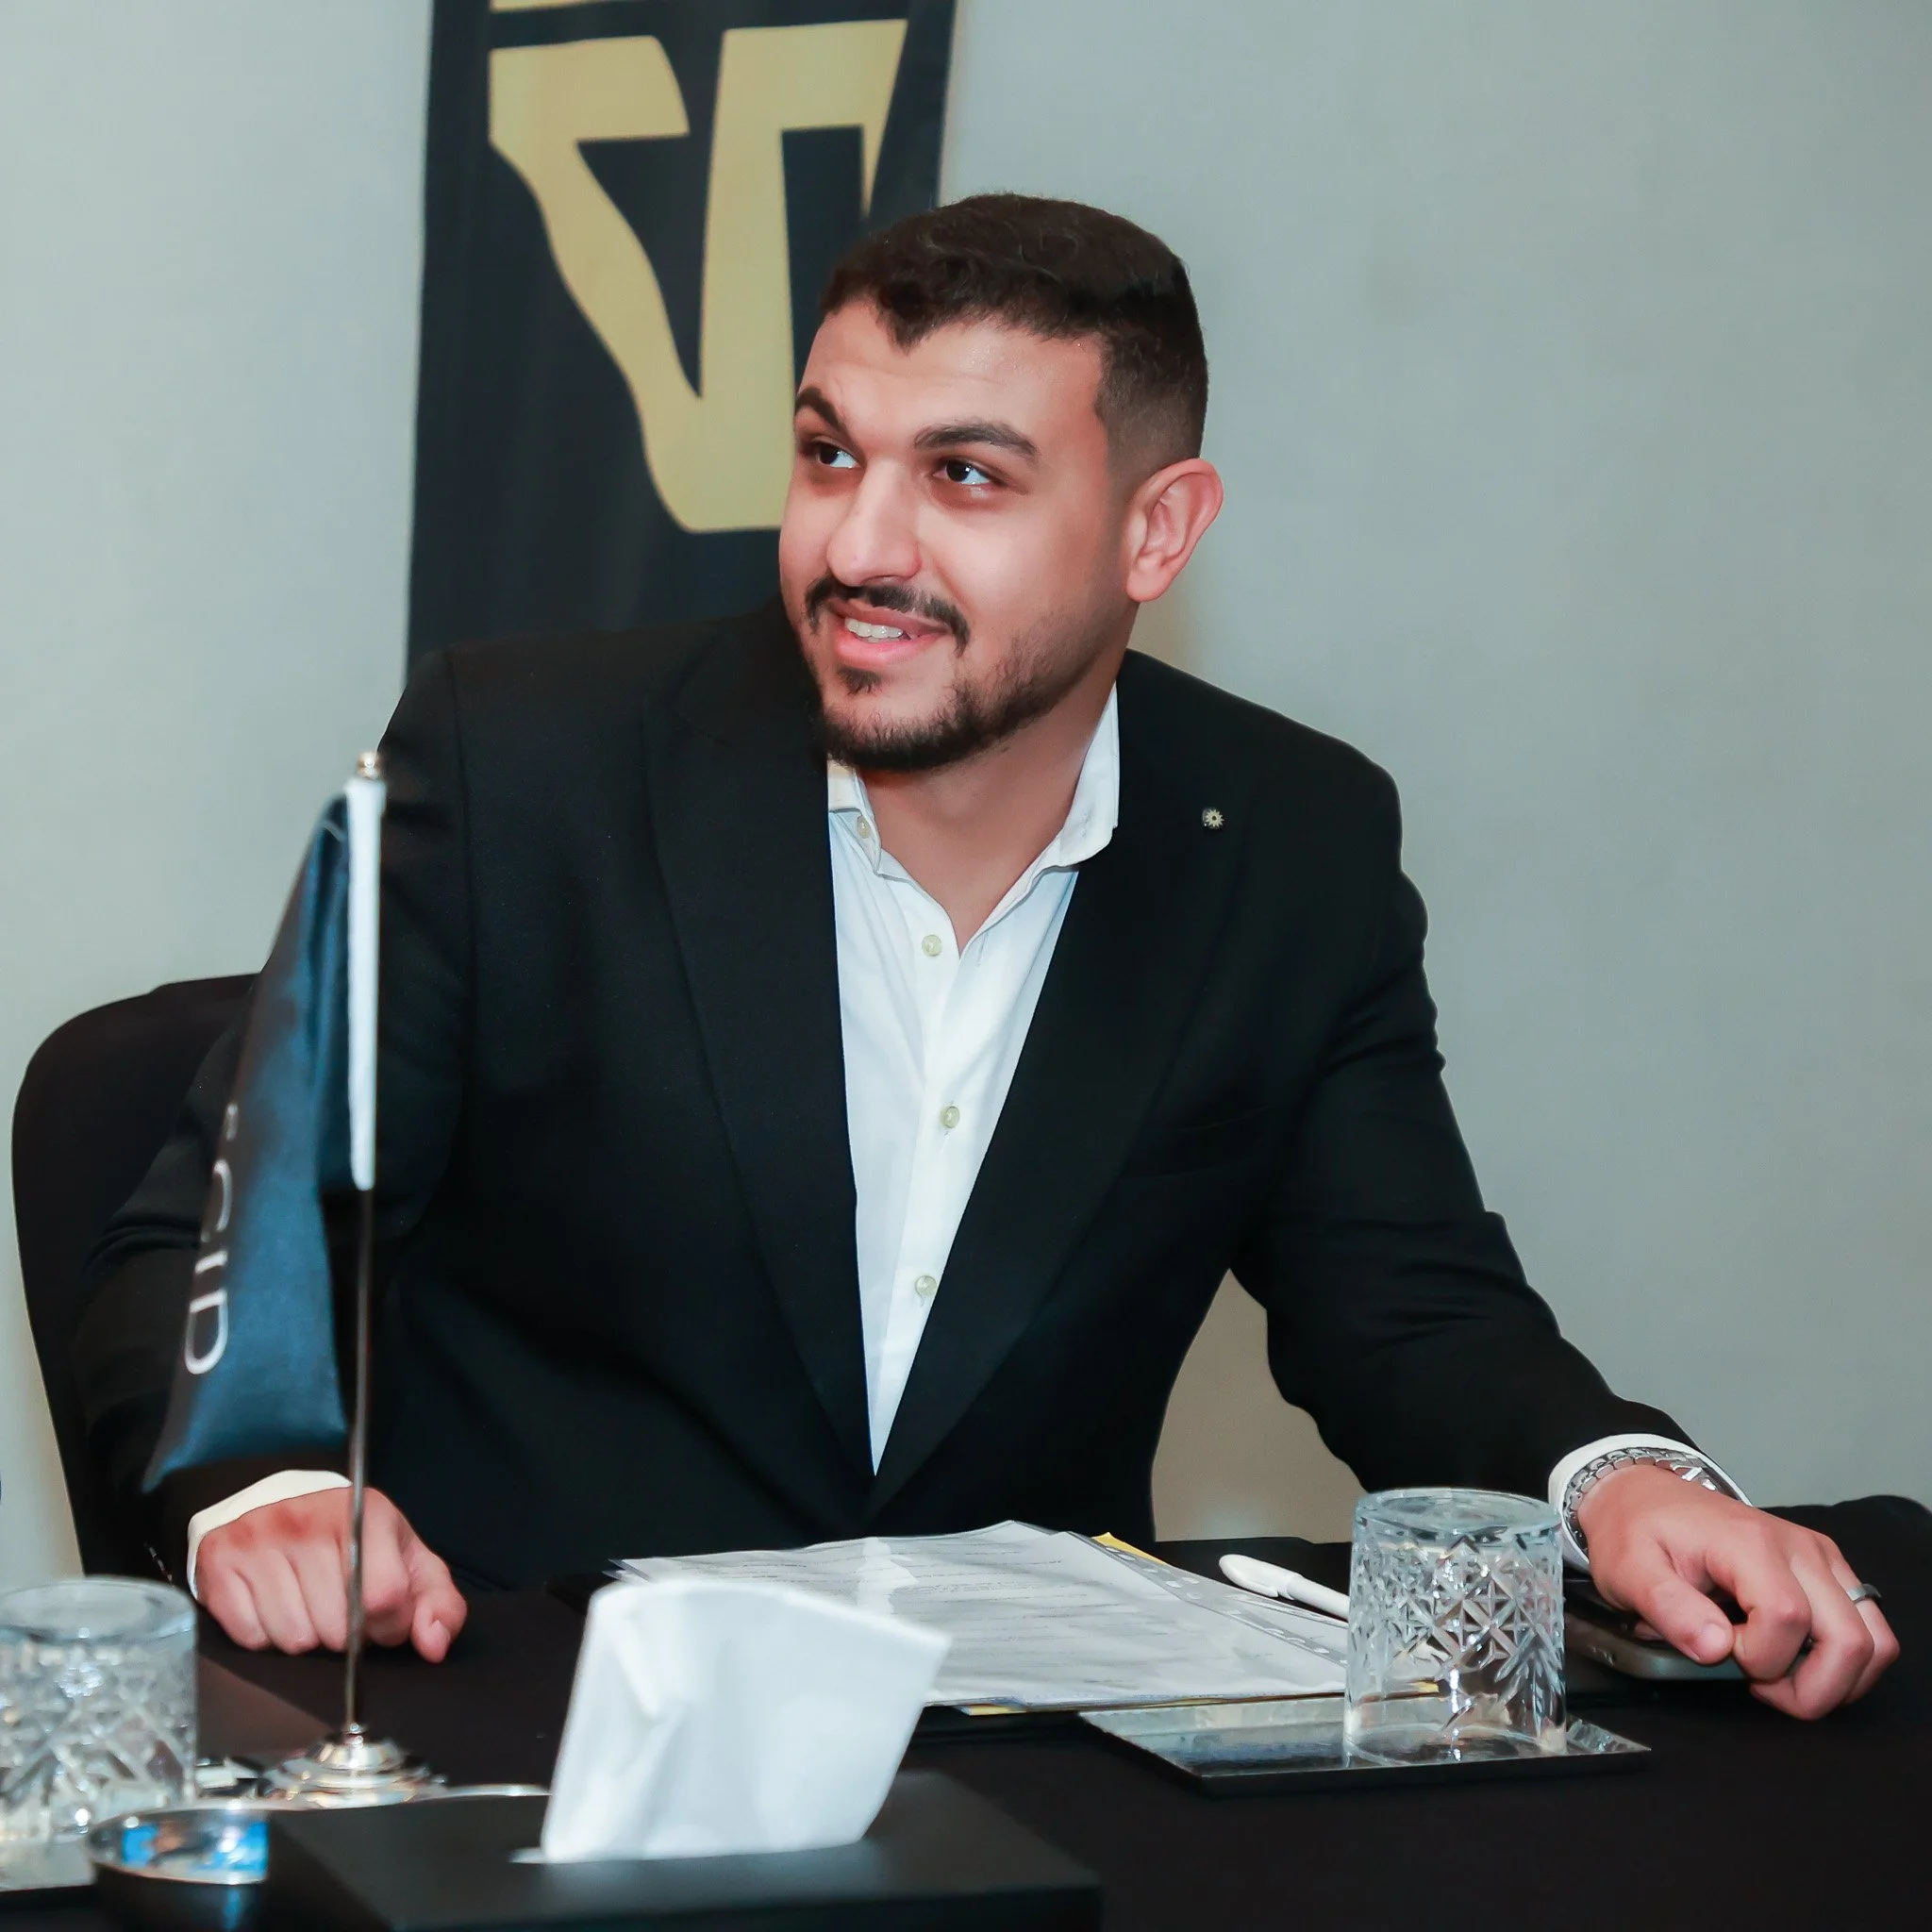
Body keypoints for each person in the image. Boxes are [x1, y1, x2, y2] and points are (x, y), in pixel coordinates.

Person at [76, 193, 1894, 1720]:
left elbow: (1407, 1304)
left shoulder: (1289, 843)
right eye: (829, 455)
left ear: (1154, 533)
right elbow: (213, 1235)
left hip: (1024, 1770)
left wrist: (1623, 1482)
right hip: (527, 1718)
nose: (864, 543)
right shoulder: (518, 761)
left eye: (966, 477)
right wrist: (274, 1483)